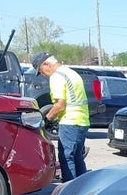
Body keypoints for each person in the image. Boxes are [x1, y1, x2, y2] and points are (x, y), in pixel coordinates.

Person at [32, 52, 90, 182]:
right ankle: (82, 187)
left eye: (41, 71)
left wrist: (46, 120)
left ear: (46, 64)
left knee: (66, 157)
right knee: (77, 157)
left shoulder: (57, 76)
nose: (43, 75)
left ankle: (69, 190)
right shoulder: (71, 73)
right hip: (82, 121)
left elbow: (60, 105)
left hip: (70, 121)